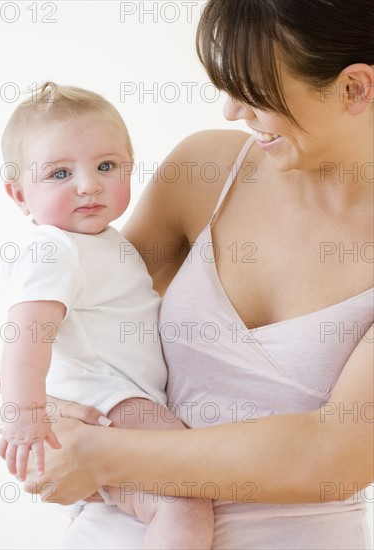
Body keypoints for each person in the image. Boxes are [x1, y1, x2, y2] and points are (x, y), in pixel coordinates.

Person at [22, 1, 374, 549]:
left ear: (354, 88)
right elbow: (88, 316)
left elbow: (335, 455)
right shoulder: (206, 172)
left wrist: (96, 452)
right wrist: (41, 405)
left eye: (254, 92)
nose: (232, 111)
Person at [0, 82, 214, 549]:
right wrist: (25, 416)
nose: (88, 184)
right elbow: (25, 336)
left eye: (107, 166)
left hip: (122, 399)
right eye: (59, 173)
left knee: (158, 503)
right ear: (19, 196)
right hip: (110, 401)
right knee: (186, 497)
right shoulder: (54, 249)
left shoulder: (106, 241)